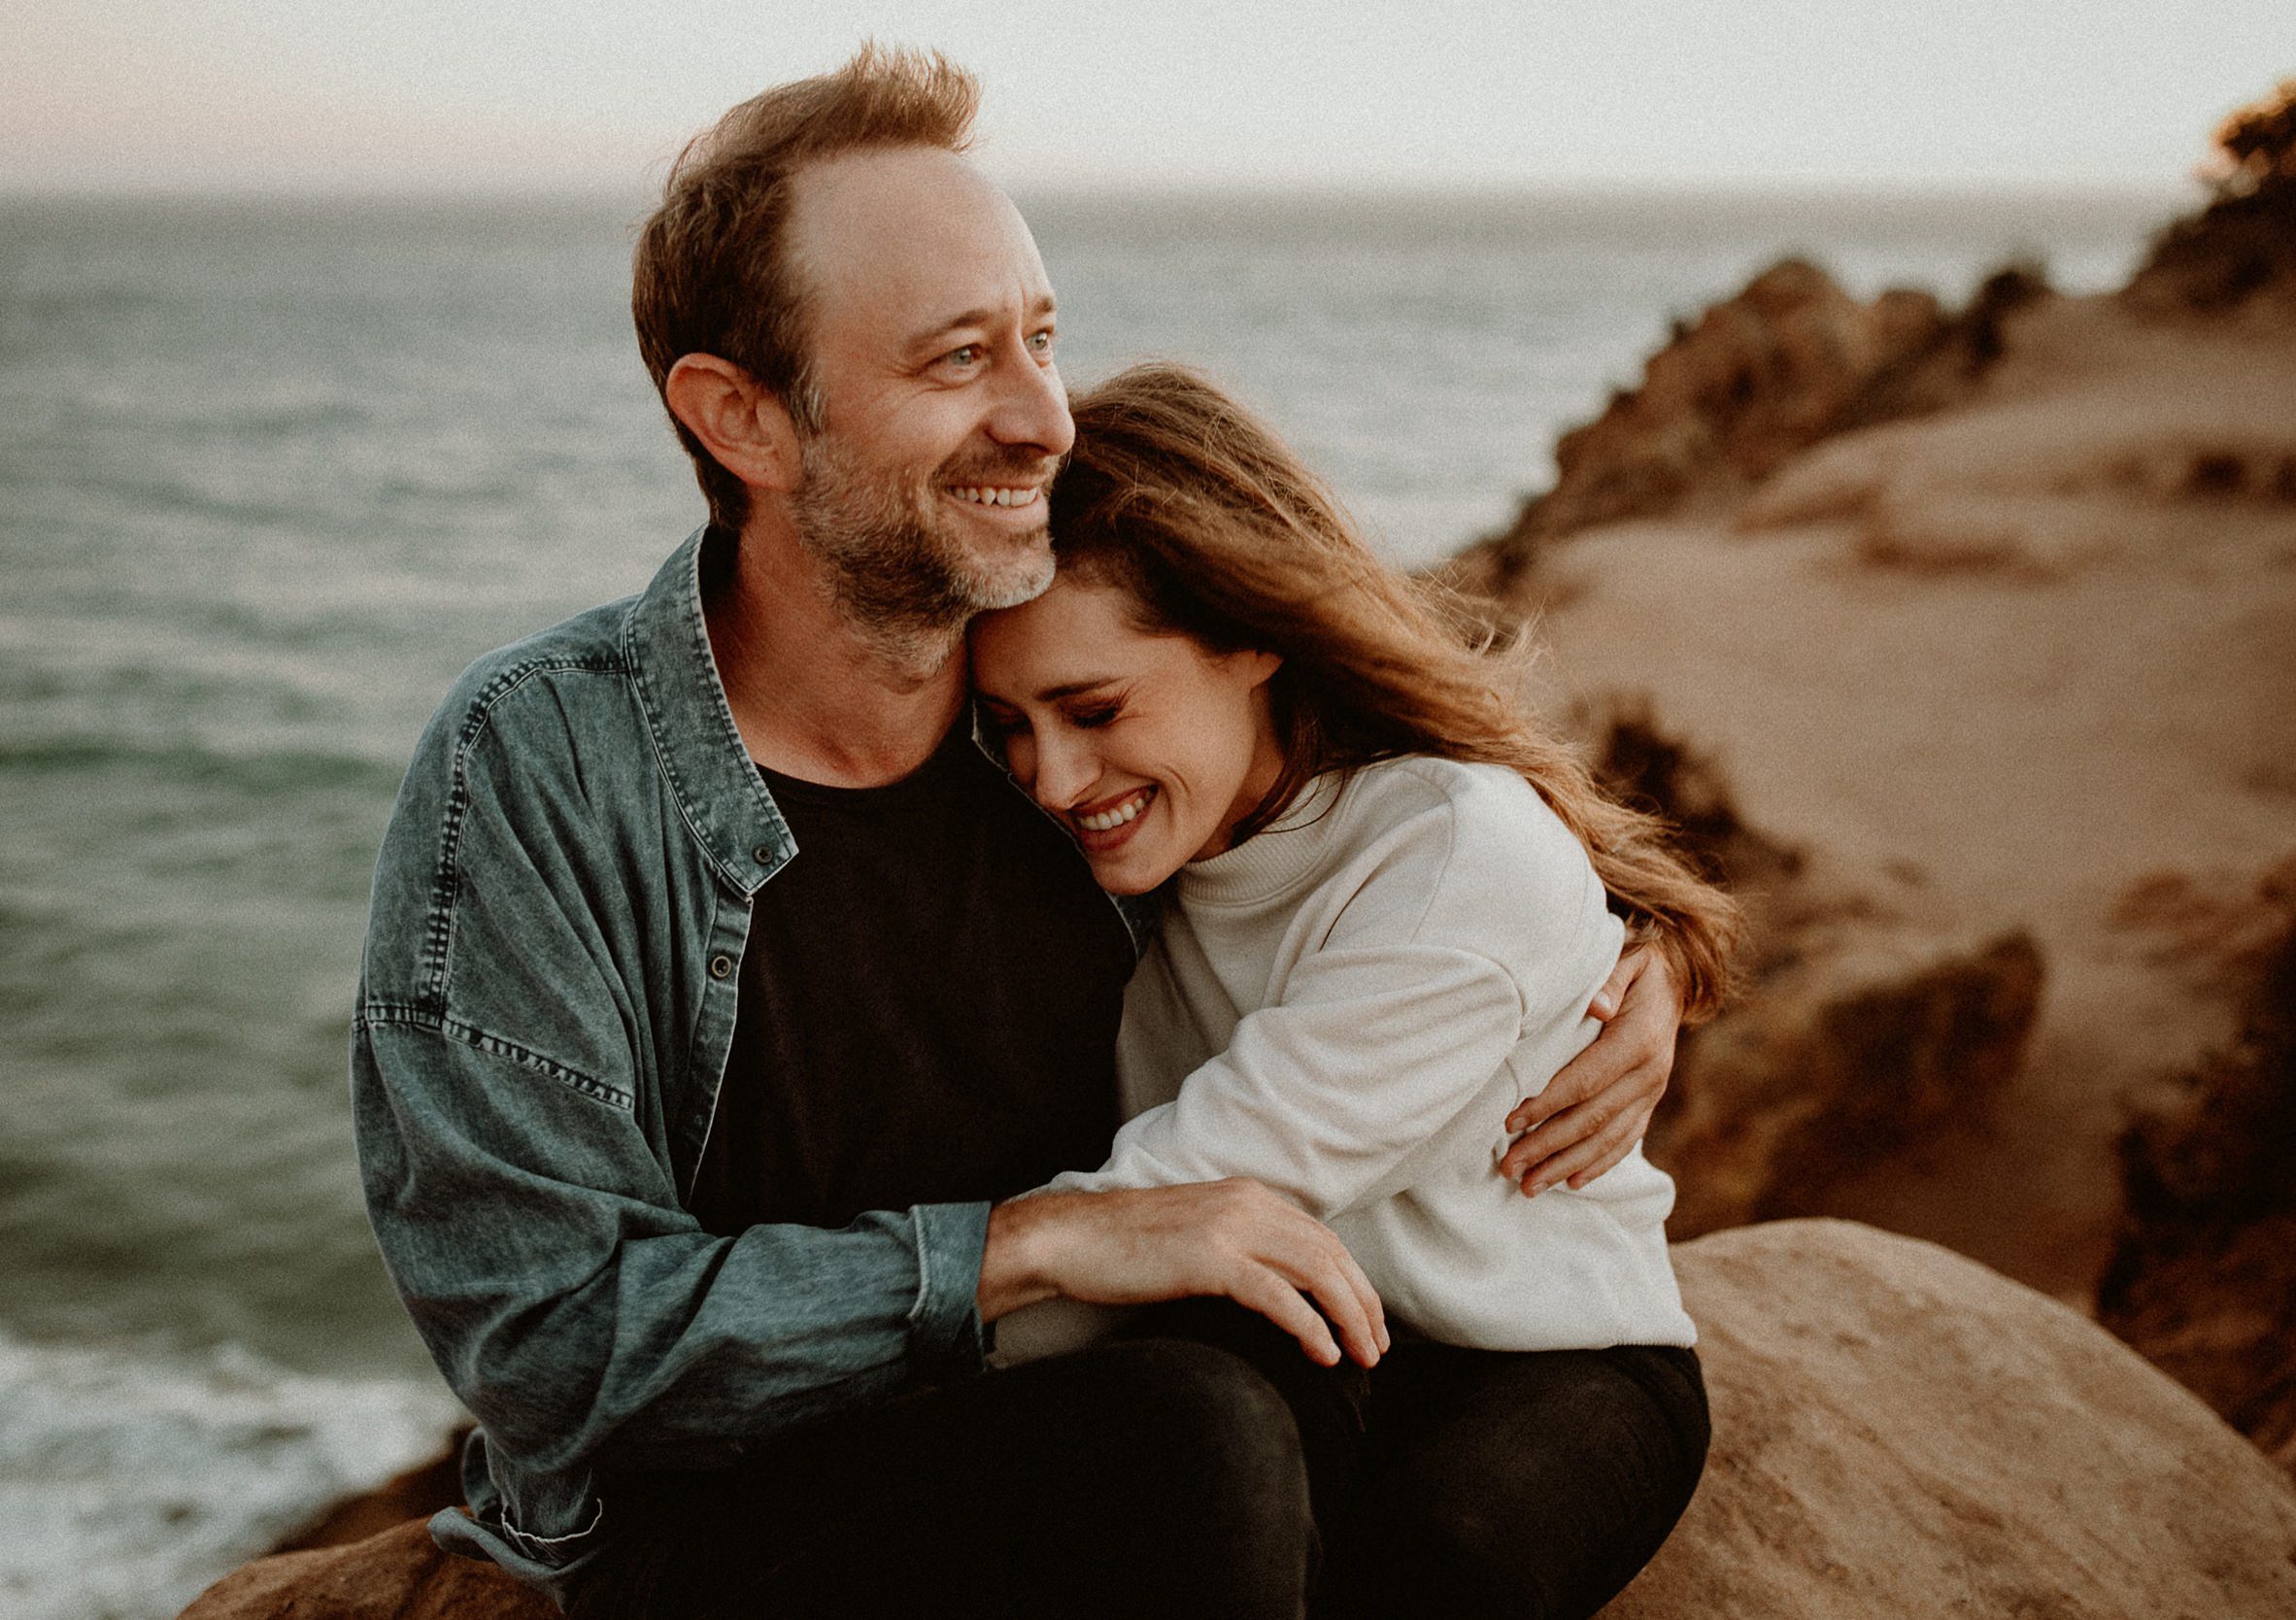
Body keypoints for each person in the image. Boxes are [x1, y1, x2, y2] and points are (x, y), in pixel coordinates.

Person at [350, 45, 1696, 1618]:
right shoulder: (543, 772)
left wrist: (1637, 960)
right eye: (958, 360)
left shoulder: (1072, 743)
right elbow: (548, 1348)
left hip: (1115, 1419)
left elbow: (1391, 834)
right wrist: (1028, 1251)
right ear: (745, 421)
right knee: (1201, 1429)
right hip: (745, 1522)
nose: (1045, 417)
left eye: (1044, 342)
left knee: (1246, 1413)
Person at [971, 361, 1740, 1617]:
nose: (1053, 779)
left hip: (1544, 1358)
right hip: (1285, 1328)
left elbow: (1201, 1184)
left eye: (1094, 708)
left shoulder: (1447, 854)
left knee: (1428, 1569)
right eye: (1009, 724)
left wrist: (850, 1326)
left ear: (1258, 633)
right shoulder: (1122, 840)